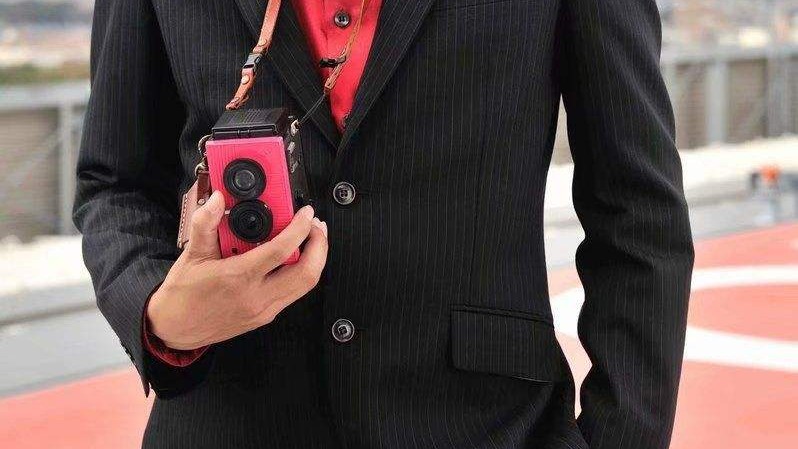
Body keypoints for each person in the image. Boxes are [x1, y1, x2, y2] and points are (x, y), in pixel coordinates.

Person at [73, 0, 694, 448]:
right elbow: (115, 181)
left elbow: (638, 210)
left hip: (489, 426)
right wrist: (160, 315)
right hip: (227, 421)